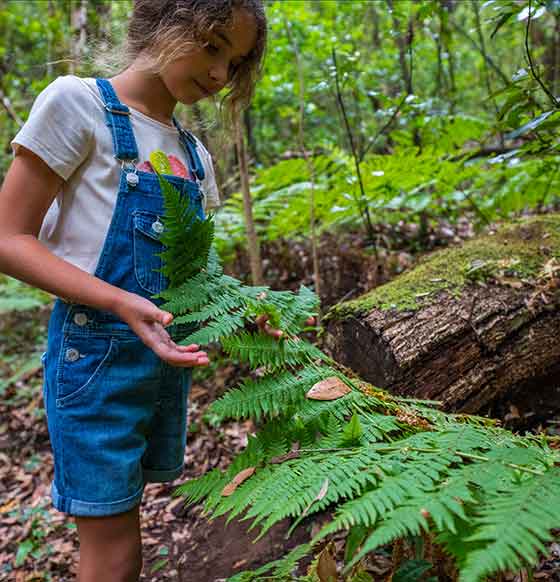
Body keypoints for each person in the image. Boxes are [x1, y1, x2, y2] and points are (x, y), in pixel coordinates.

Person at [0, 1, 267, 580]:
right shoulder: (78, 104)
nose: (221, 74)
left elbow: (195, 276)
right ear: (166, 21)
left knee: (129, 522)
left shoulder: (194, 156)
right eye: (214, 45)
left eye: (236, 62)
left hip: (164, 367)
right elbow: (8, 239)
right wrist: (117, 300)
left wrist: (242, 310)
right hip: (94, 357)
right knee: (112, 537)